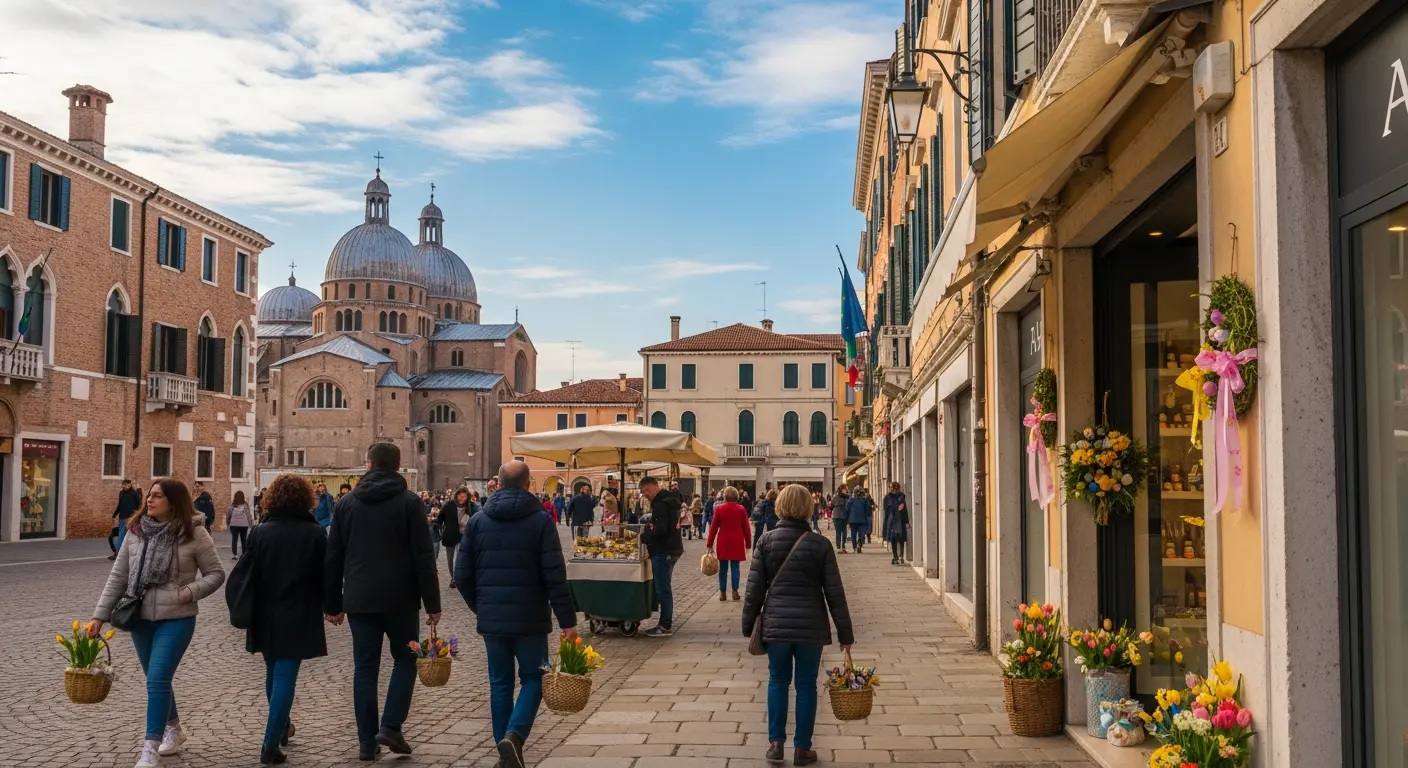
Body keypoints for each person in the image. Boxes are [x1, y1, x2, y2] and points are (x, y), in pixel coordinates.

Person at [89, 480, 226, 768]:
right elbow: (119, 576)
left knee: (157, 679)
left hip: (176, 619)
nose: (149, 500)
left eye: (157, 496)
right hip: (139, 618)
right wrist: (98, 617)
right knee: (157, 678)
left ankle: (149, 748)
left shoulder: (194, 532)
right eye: (149, 495)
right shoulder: (136, 531)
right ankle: (174, 729)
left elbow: (215, 573)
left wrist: (188, 592)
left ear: (174, 501)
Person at [455, 460, 578, 768]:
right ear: (528, 485)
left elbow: (462, 574)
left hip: (493, 619)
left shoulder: (479, 521)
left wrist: (480, 607)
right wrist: (568, 622)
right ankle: (515, 736)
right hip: (531, 620)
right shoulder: (540, 521)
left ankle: (504, 751)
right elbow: (555, 575)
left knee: (499, 683)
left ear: (497, 483)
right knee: (535, 678)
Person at [324, 443, 441, 761]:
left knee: (365, 668)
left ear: (369, 465)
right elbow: (423, 556)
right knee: (405, 661)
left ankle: (366, 742)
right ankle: (390, 725)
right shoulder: (410, 503)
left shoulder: (346, 504)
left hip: (360, 598)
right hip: (402, 598)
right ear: (397, 466)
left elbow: (333, 557)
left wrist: (332, 604)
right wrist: (433, 603)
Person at [742, 484, 854, 767]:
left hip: (776, 625)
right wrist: (845, 633)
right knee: (806, 685)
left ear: (779, 506)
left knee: (777, 681)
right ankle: (803, 749)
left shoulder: (765, 542)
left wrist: (747, 626)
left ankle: (776, 743)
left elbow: (754, 589)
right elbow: (834, 593)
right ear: (809, 508)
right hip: (810, 627)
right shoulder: (821, 544)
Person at [232, 474, 326, 765]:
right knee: (284, 676)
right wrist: (334, 606)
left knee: (273, 672)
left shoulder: (259, 532)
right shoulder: (315, 534)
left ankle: (282, 726)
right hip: (298, 611)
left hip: (264, 610)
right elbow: (324, 577)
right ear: (305, 500)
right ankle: (270, 743)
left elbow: (248, 573)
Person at [639, 477, 684, 637]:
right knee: (665, 587)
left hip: (663, 550)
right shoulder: (670, 500)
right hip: (673, 548)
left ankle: (665, 625)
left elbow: (661, 530)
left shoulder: (661, 504)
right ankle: (666, 620)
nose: (645, 495)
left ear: (650, 488)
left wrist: (646, 536)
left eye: (645, 491)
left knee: (663, 589)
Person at [706, 486, 752, 602]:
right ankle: (735, 591)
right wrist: (748, 544)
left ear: (725, 497)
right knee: (735, 568)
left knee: (723, 568)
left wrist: (709, 543)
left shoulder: (719, 509)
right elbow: (746, 528)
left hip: (723, 540)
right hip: (737, 540)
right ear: (737, 497)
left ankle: (722, 593)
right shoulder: (741, 509)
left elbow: (713, 528)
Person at [437, 488, 471, 589]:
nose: (462, 499)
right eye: (460, 497)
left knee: (458, 558)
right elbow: (440, 517)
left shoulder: (469, 506)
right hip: (450, 535)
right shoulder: (449, 505)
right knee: (450, 561)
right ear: (457, 496)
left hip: (463, 535)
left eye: (464, 497)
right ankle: (453, 577)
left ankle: (455, 579)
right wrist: (441, 528)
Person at [110, 479, 143, 560]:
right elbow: (119, 505)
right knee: (122, 535)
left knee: (130, 535)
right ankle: (118, 552)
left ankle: (122, 552)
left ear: (130, 485)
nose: (124, 486)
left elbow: (139, 504)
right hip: (122, 517)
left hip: (131, 518)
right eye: (123, 485)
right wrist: (115, 513)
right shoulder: (121, 493)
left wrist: (138, 515)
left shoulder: (134, 494)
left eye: (126, 485)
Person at [883, 483, 910, 565]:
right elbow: (886, 510)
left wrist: (907, 522)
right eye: (892, 488)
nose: (894, 490)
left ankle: (900, 556)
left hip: (899, 521)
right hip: (892, 521)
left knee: (900, 538)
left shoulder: (901, 497)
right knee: (893, 539)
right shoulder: (887, 498)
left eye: (895, 488)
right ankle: (896, 557)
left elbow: (904, 510)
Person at [846, 487, 873, 554]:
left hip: (853, 520)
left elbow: (847, 509)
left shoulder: (850, 500)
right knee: (862, 534)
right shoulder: (864, 501)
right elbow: (867, 510)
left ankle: (855, 547)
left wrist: (848, 519)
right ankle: (859, 545)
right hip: (862, 520)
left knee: (853, 534)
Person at [228, 491, 254, 558]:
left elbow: (229, 515)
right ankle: (244, 554)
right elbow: (248, 515)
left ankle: (234, 554)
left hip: (234, 525)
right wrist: (251, 524)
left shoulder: (232, 505)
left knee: (234, 540)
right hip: (244, 525)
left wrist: (228, 523)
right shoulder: (245, 505)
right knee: (243, 539)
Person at [830, 488, 849, 554]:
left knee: (844, 532)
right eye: (844, 489)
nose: (845, 490)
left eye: (846, 489)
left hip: (843, 516)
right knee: (838, 532)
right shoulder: (837, 497)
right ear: (841, 490)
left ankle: (843, 546)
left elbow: (832, 505)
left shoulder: (847, 497)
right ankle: (839, 547)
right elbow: (831, 505)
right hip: (837, 516)